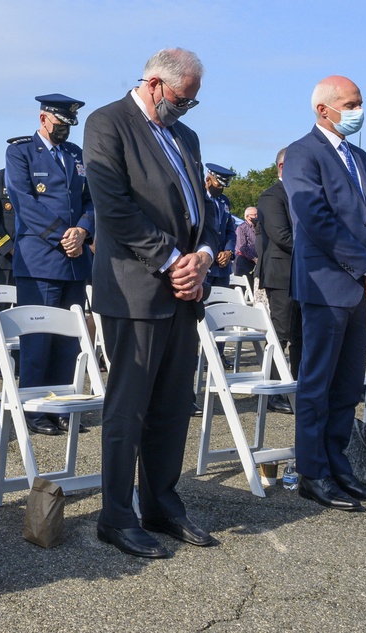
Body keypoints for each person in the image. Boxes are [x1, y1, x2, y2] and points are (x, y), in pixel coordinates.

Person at [84, 48, 218, 558]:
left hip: (183, 292)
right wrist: (171, 260)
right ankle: (116, 515)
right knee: (129, 408)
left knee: (171, 407)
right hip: (135, 288)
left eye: (192, 103)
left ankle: (161, 502)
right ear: (155, 84)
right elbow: (114, 208)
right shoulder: (108, 123)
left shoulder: (185, 136)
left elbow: (205, 211)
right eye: (182, 100)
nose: (185, 110)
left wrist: (202, 256)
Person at [285, 75, 366, 511]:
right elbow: (315, 217)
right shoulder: (302, 153)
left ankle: (338, 463)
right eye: (351, 104)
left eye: (360, 103)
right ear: (323, 109)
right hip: (326, 285)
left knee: (348, 383)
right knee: (318, 383)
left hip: (362, 286)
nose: (358, 111)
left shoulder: (359, 155)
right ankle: (313, 472)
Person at [5, 94, 93, 436]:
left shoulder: (76, 155)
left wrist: (83, 230)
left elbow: (91, 199)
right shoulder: (21, 151)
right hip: (41, 258)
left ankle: (61, 405)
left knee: (67, 340)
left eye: (70, 125)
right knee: (38, 338)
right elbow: (24, 202)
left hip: (75, 261)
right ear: (44, 118)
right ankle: (33, 409)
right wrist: (64, 236)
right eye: (60, 124)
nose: (65, 131)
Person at [256, 147, 297, 413]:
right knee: (281, 332)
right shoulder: (272, 196)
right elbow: (282, 236)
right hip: (282, 274)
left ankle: (296, 385)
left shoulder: (303, 195)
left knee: (301, 333)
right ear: (282, 168)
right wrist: (320, 249)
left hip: (303, 274)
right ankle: (273, 391)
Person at [203, 163, 237, 289]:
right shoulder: (199, 198)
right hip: (204, 263)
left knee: (223, 305)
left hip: (222, 267)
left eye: (224, 186)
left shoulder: (224, 201)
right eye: (218, 185)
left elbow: (230, 230)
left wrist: (228, 251)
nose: (221, 189)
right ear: (208, 180)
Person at [234, 205, 258, 288]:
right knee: (244, 287)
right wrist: (254, 258)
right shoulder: (241, 228)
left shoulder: (259, 227)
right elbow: (242, 246)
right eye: (254, 215)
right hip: (244, 261)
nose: (256, 217)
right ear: (247, 216)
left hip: (256, 262)